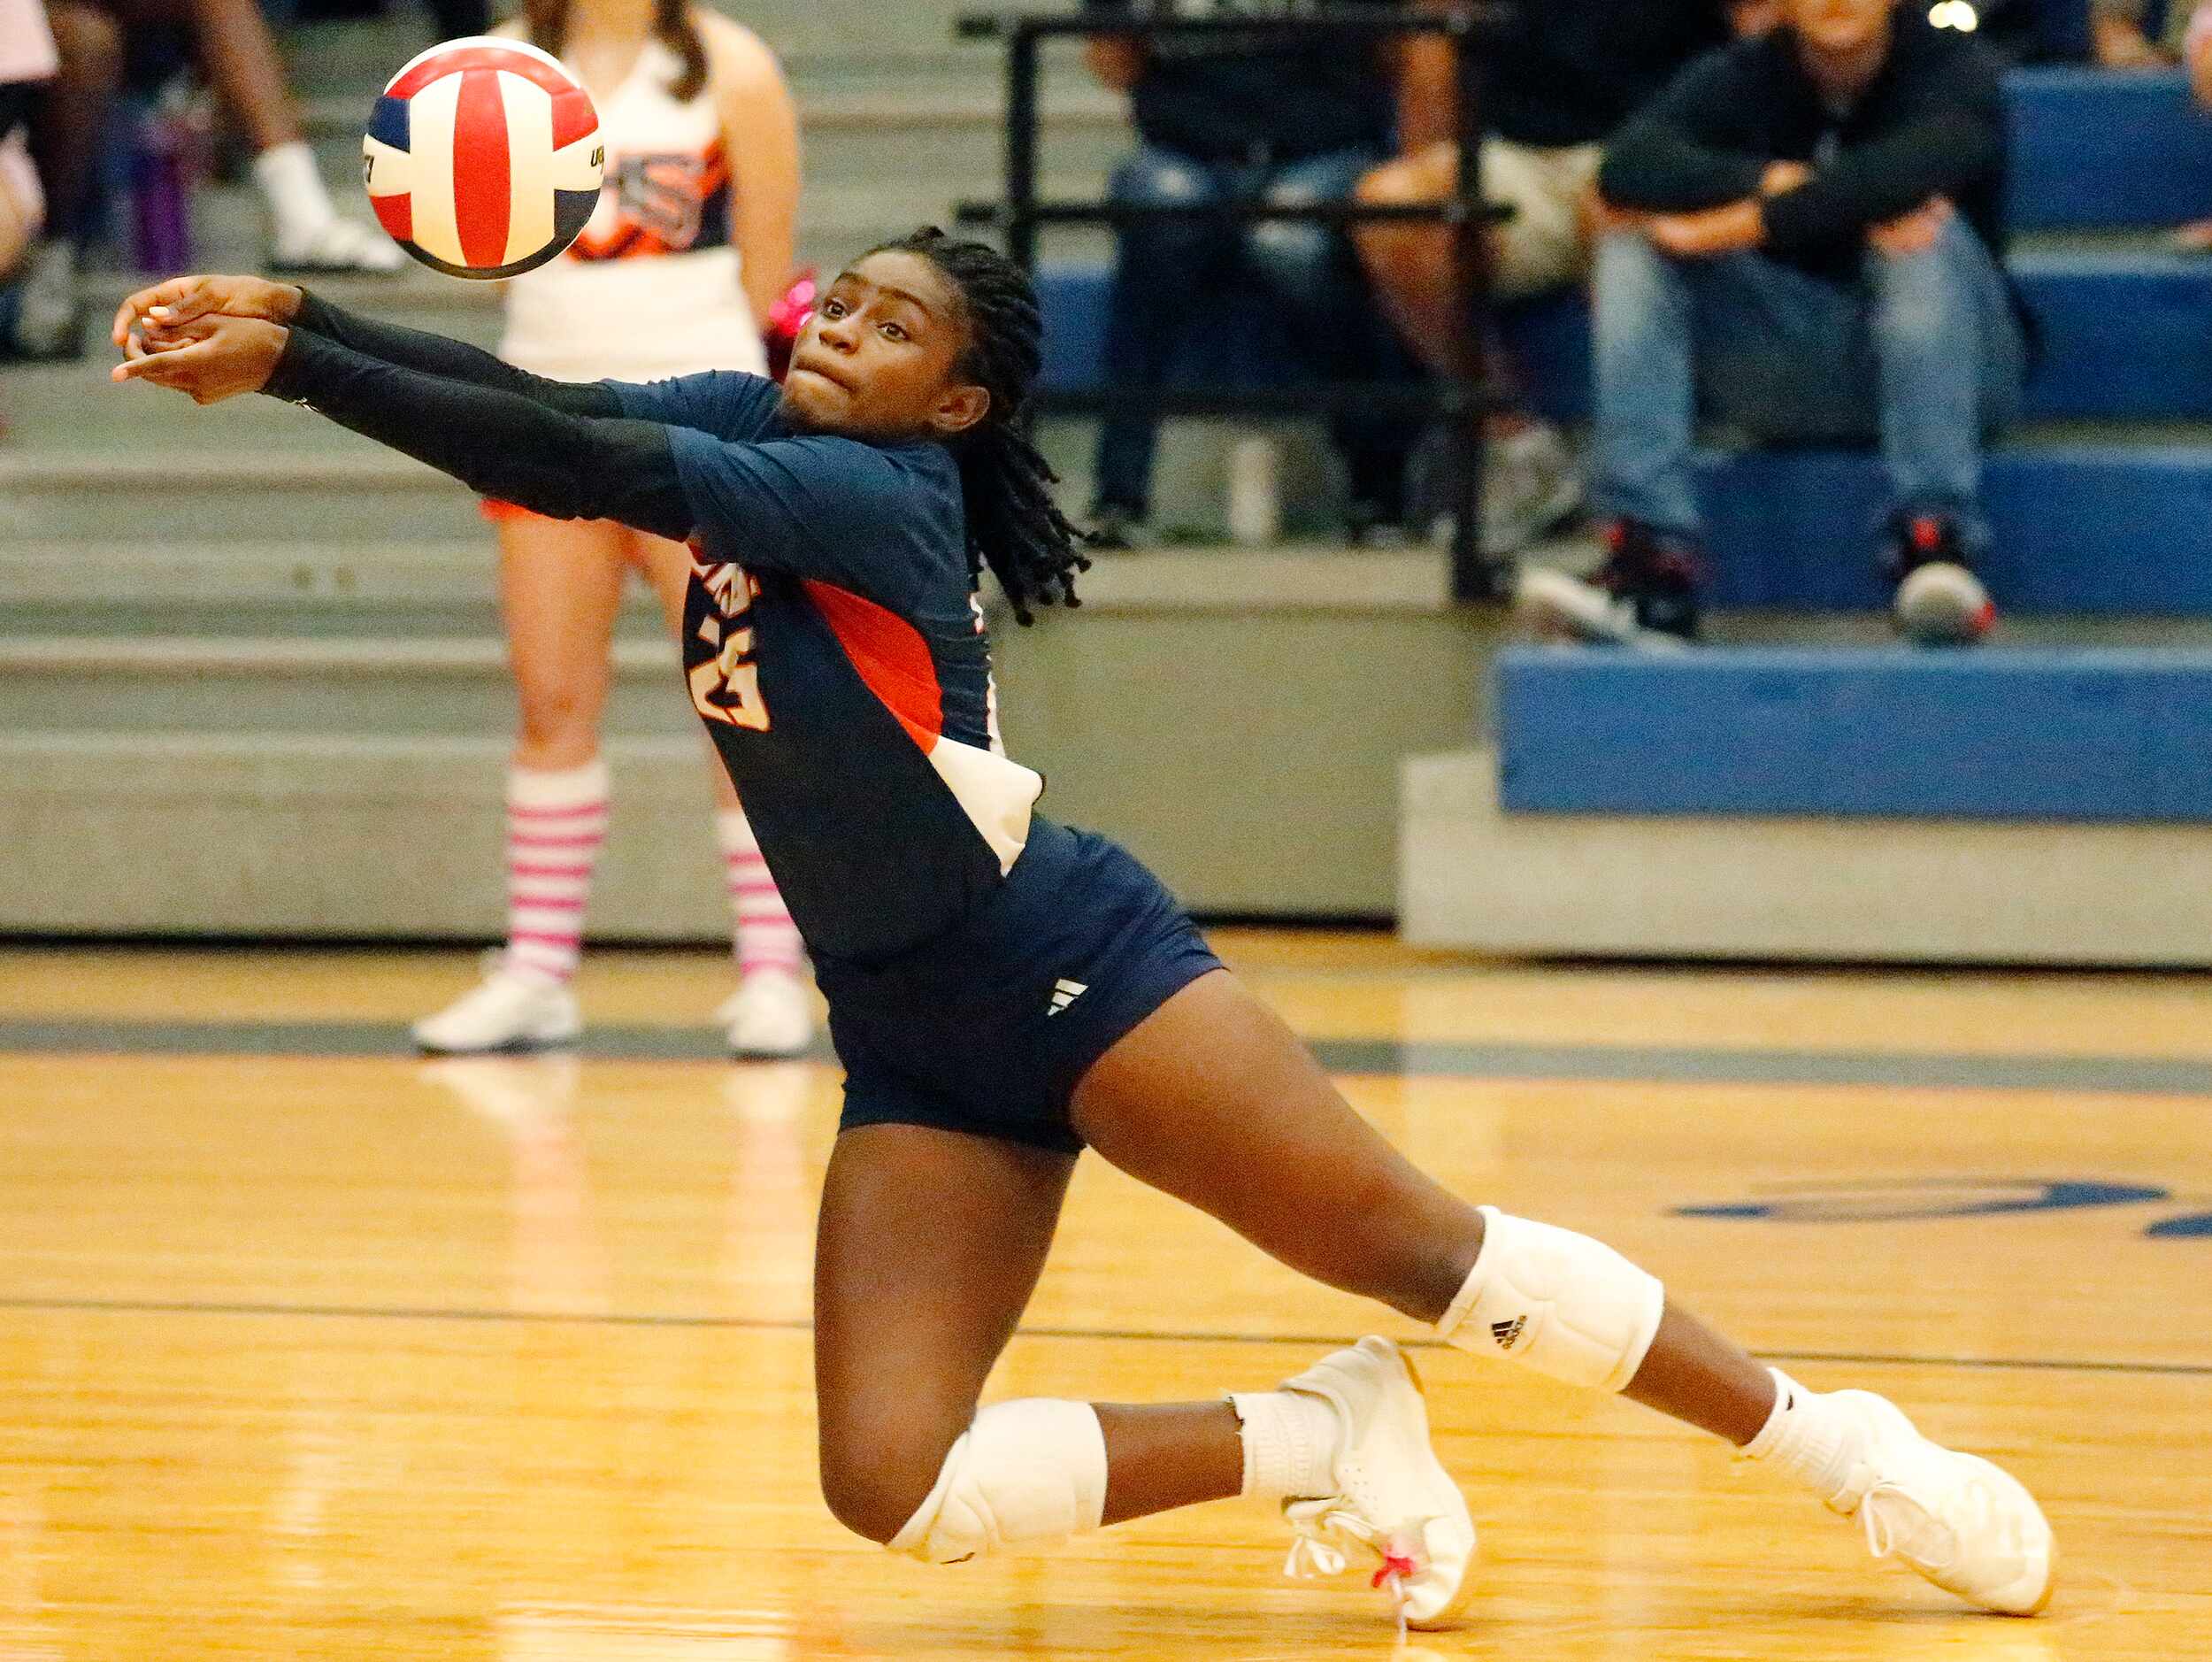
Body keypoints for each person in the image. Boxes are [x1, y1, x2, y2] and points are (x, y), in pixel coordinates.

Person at [111, 236, 2054, 1627]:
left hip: (1067, 967)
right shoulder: (755, 416)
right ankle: (1311, 1438)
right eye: (839, 300)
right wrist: (303, 312)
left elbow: (571, 468)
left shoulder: (871, 495)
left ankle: (1838, 1449)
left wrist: (296, 366)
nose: (843, 326)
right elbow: (544, 404)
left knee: (1416, 1247)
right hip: (910, 1037)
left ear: (953, 402)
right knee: (895, 1489)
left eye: (891, 327)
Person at [409, 0, 810, 1058]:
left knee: (738, 703)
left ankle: (773, 973)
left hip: (696, 425)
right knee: (550, 699)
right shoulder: (497, 64)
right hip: (546, 415)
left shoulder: (734, 66)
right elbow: (477, 249)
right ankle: (538, 972)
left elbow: (768, 267)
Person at [1522, 0, 2025, 649]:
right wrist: (1770, 180)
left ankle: (1935, 546)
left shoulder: (1958, 67)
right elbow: (1628, 167)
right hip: (1799, 365)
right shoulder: (1745, 72)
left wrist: (1741, 222)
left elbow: (1907, 176)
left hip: (1957, 373)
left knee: (1920, 232)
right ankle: (1652, 568)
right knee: (1633, 245)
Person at [1351, 0, 1740, 555]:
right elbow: (1431, 44)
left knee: (1613, 211)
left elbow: (1762, 44)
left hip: (1669, 149)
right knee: (1400, 208)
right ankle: (1519, 448)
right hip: (1523, 157)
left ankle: (1639, 509)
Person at [1080, 0, 1417, 546]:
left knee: (1294, 242)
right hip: (1185, 150)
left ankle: (1377, 487)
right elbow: (1114, 64)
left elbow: (1396, 56)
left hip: (1324, 149)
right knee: (1158, 213)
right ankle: (1119, 494)